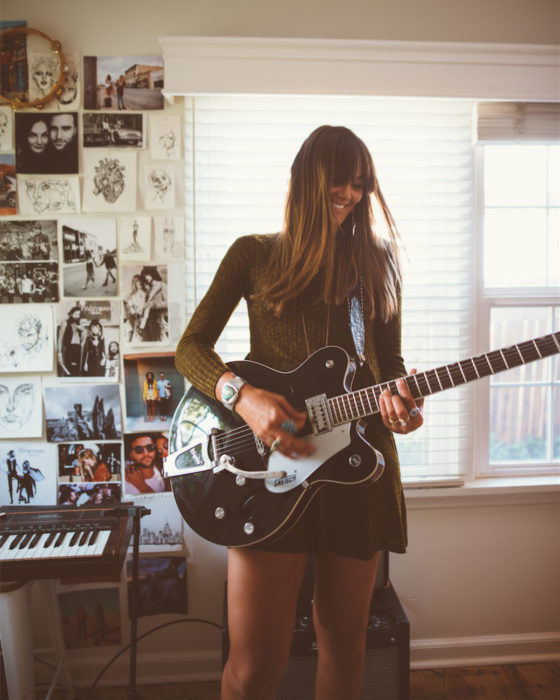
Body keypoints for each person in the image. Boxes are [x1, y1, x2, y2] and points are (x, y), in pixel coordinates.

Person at [175, 125, 424, 700]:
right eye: (339, 180)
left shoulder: (378, 265)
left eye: (360, 184)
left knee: (345, 646)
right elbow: (191, 348)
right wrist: (242, 394)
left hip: (357, 473)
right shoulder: (254, 255)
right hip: (268, 475)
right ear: (304, 180)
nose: (350, 193)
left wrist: (400, 410)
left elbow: (389, 366)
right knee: (255, 666)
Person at [58, 306, 84, 376]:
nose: (77, 316)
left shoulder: (79, 324)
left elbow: (81, 341)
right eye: (75, 314)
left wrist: (83, 331)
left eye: (78, 314)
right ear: (71, 314)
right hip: (69, 349)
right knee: (68, 372)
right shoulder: (65, 323)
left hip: (78, 349)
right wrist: (59, 353)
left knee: (77, 371)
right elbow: (60, 339)